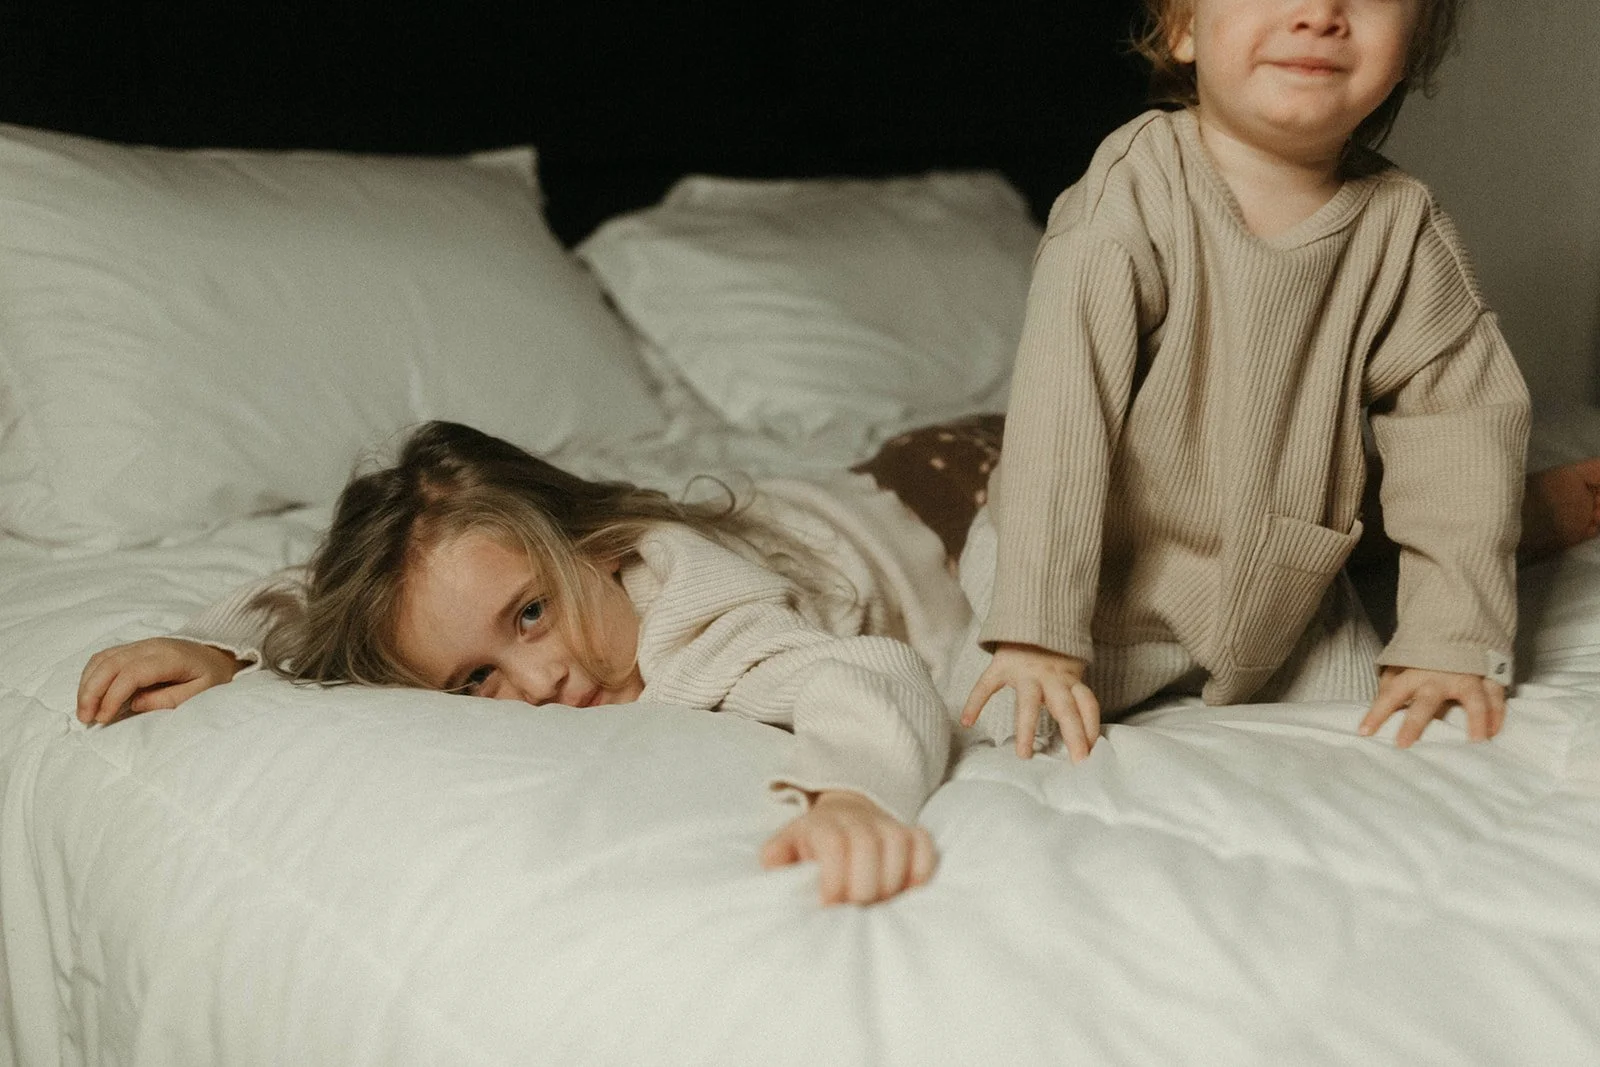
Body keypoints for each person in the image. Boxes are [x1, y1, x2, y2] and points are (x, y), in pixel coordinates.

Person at [958, 0, 1536, 761]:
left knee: (1390, 752)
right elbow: (1062, 418)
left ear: (1413, 47)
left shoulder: (1403, 227)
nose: (1322, 14)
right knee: (1004, 733)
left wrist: (1450, 635)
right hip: (1087, 574)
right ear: (1183, 29)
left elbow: (1462, 433)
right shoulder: (1133, 194)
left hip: (1283, 594)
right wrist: (1036, 628)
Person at [75, 420, 975, 907]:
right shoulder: (500, 572)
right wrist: (216, 644)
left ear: (597, 545)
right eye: (476, 678)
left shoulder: (702, 632)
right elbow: (309, 598)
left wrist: (853, 792)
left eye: (532, 614)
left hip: (949, 501)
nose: (540, 681)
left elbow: (865, 672)